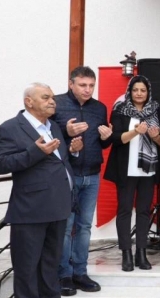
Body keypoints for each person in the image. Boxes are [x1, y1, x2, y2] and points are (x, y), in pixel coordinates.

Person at [0, 83, 82, 298]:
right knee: (27, 270)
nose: (52, 101)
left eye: (52, 97)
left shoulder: (53, 126)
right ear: (29, 101)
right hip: (30, 211)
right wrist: (34, 152)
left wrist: (72, 151)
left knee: (50, 267)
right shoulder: (10, 128)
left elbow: (57, 162)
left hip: (58, 208)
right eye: (45, 97)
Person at [52, 66, 112, 296]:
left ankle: (80, 272)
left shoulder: (99, 107)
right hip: (66, 175)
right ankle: (64, 274)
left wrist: (107, 139)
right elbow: (48, 137)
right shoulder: (56, 104)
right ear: (71, 84)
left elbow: (101, 142)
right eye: (82, 85)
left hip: (92, 174)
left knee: (85, 226)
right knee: (66, 226)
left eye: (91, 85)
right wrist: (66, 133)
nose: (88, 90)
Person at [103, 75, 160, 271]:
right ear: (130, 92)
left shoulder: (156, 110)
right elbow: (115, 139)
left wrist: (155, 136)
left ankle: (141, 253)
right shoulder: (120, 110)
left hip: (148, 170)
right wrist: (136, 132)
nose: (139, 94)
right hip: (126, 169)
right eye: (135, 90)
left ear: (148, 93)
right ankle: (126, 254)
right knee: (124, 211)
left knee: (143, 212)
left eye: (143, 90)